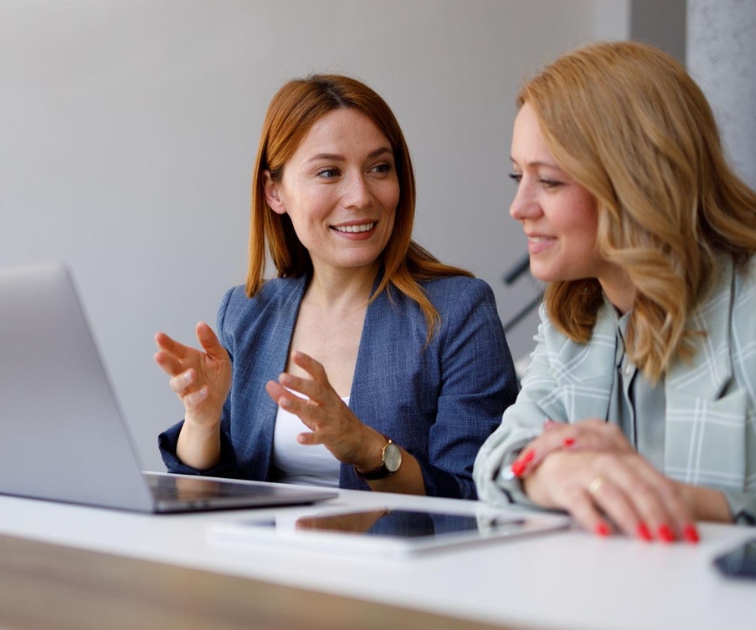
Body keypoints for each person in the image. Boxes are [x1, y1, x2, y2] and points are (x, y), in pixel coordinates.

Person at [474, 41, 756, 542]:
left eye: (550, 181)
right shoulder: (574, 313)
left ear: (636, 179)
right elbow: (498, 458)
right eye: (519, 176)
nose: (519, 206)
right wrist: (551, 473)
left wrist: (691, 504)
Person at [155, 75, 518, 499]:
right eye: (329, 172)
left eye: (379, 168)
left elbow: (475, 494)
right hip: (262, 561)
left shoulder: (457, 312)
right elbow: (206, 496)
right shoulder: (247, 311)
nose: (360, 196)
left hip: (398, 562)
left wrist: (366, 448)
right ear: (275, 193)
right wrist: (203, 420)